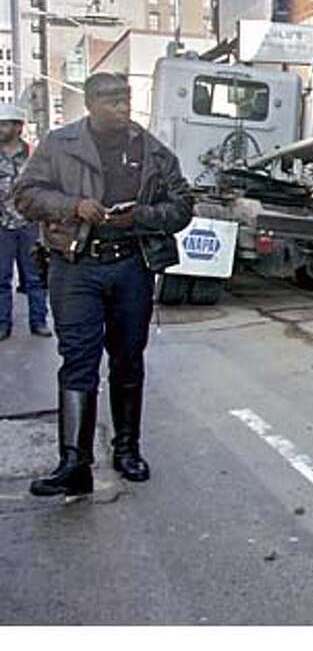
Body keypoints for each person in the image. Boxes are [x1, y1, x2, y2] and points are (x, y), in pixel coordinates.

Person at [14, 72, 193, 497]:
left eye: (127, 100)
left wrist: (142, 217)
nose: (123, 108)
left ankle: (127, 450)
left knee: (128, 361)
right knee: (78, 360)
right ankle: (74, 463)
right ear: (91, 104)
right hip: (75, 267)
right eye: (113, 101)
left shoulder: (149, 148)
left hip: (131, 266)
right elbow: (24, 196)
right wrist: (73, 206)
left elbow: (183, 205)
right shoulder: (60, 144)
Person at [0, 102, 50, 341]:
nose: (0, 128)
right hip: (2, 227)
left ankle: (39, 322)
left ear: (18, 127)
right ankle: (2, 325)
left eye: (5, 124)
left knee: (34, 277)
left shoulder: (34, 155)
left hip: (30, 226)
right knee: (1, 278)